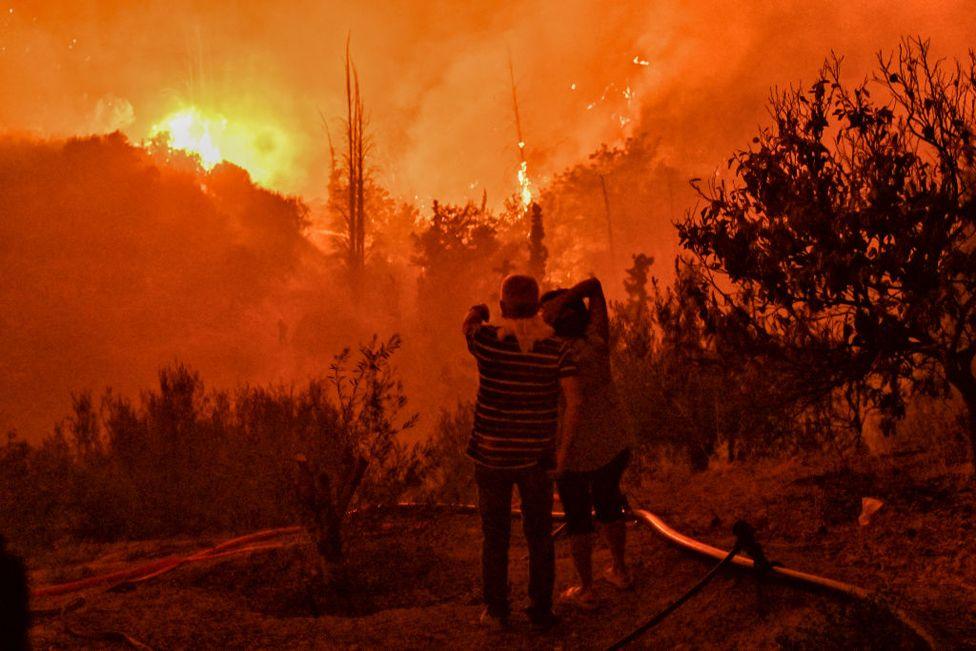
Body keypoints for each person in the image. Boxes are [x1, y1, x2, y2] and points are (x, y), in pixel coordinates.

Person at [463, 274, 581, 631]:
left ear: (503, 307)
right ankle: (541, 610)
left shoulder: (486, 342)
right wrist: (563, 455)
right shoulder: (556, 349)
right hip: (537, 459)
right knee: (539, 535)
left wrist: (477, 310)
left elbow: (468, 326)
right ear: (538, 308)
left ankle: (497, 611)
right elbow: (575, 401)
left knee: (495, 536)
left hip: (491, 456)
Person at [541, 277, 635, 610]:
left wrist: (558, 457)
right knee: (610, 505)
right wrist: (567, 297)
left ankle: (586, 587)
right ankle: (620, 570)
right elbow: (596, 284)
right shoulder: (597, 341)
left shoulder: (552, 353)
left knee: (577, 517)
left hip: (573, 448)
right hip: (612, 437)